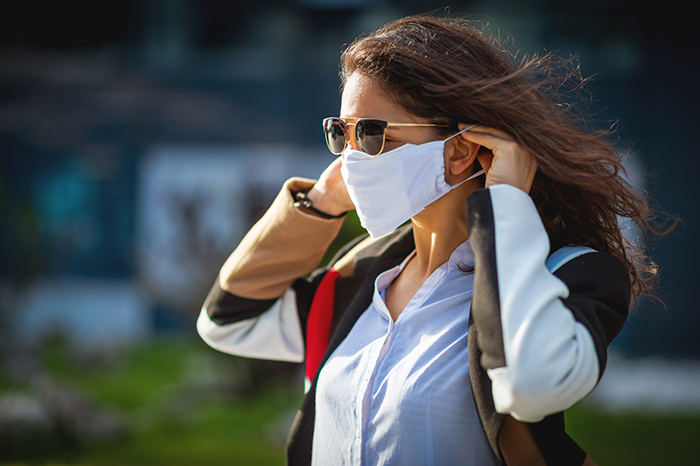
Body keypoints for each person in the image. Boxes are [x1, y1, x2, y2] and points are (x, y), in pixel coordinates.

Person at [197, 15, 663, 466]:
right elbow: (227, 322)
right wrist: (321, 200)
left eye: (373, 133)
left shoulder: (566, 274)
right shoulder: (358, 277)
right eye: (341, 133)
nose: (353, 158)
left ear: (459, 149)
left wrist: (505, 208)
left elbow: (533, 384)